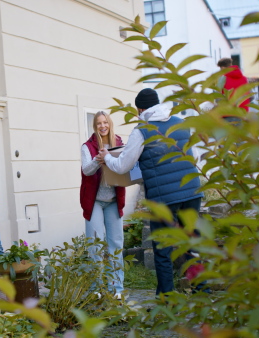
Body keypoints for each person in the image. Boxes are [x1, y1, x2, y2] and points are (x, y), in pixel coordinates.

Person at [99, 88, 203, 295]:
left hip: (164, 198)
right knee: (193, 243)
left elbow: (122, 166)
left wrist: (106, 158)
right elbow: (197, 158)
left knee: (163, 249)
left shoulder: (142, 130)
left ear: (140, 109)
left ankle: (166, 298)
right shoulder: (181, 123)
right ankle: (204, 291)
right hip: (192, 192)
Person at [80, 111, 126, 299]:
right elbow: (86, 170)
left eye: (105, 122)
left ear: (110, 123)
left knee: (116, 244)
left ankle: (116, 289)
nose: (102, 126)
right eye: (98, 123)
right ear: (95, 126)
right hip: (95, 202)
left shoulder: (119, 143)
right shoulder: (87, 146)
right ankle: (96, 289)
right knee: (95, 245)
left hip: (114, 201)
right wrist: (99, 159)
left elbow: (125, 166)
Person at [217, 57, 251, 122]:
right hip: (242, 114)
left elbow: (218, 97)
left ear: (223, 68)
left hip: (228, 114)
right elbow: (249, 95)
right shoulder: (244, 79)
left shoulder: (222, 79)